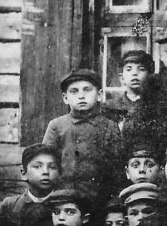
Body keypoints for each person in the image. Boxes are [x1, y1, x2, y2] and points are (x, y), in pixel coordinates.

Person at [42, 68, 124, 207]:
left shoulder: (109, 127)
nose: (81, 96)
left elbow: (117, 171)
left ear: (99, 95)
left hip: (100, 201)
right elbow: (46, 163)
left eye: (87, 90)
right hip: (63, 199)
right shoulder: (57, 126)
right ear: (65, 98)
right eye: (74, 91)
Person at [0, 142, 60, 226]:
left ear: (59, 173)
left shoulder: (64, 205)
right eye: (38, 166)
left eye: (52, 167)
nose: (45, 172)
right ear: (23, 173)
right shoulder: (11, 205)